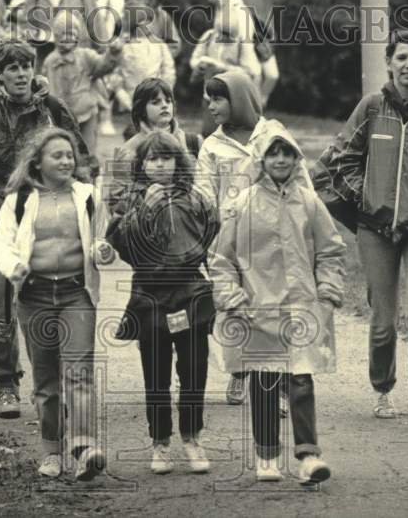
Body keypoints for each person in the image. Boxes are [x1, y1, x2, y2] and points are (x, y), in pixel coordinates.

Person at [310, 29, 408, 433]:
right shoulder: (372, 108)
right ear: (389, 63)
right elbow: (343, 157)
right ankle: (382, 388)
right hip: (375, 229)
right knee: (383, 322)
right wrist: (365, 200)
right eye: (402, 58)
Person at [0, 42, 91, 421]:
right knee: (3, 307)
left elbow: (82, 159)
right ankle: (6, 384)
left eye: (26, 66)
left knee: (51, 302)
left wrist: (79, 204)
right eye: (11, 68)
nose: (20, 74)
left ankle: (51, 388)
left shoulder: (54, 111)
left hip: (49, 222)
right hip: (1, 223)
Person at [209, 125, 344, 483]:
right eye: (273, 153)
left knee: (301, 378)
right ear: (261, 159)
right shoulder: (242, 204)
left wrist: (328, 289)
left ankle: (308, 456)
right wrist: (231, 296)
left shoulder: (310, 202)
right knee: (265, 381)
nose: (281, 159)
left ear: (296, 158)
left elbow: (330, 249)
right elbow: (222, 259)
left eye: (287, 153)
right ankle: (266, 455)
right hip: (257, 308)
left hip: (301, 306)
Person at [0, 127, 107, 482]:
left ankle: (84, 448)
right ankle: (52, 452)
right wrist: (15, 267)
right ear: (37, 162)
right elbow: (1, 244)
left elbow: (102, 237)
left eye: (70, 155)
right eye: (57, 155)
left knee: (79, 372)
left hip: (75, 294)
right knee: (46, 379)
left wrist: (103, 249)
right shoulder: (19, 200)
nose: (66, 161)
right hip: (35, 296)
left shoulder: (88, 196)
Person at [106, 130, 220, 475]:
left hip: (188, 291)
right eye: (152, 159)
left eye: (166, 158)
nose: (159, 165)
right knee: (155, 372)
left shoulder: (193, 196)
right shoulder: (131, 199)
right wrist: (144, 210)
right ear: (141, 165)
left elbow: (212, 230)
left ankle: (192, 436)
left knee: (194, 369)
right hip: (150, 295)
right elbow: (125, 247)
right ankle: (160, 442)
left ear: (178, 162)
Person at [195, 69, 312, 407]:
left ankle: (281, 384)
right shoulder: (212, 146)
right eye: (209, 99)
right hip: (232, 243)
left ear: (240, 99)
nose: (211, 106)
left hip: (276, 241)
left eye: (218, 98)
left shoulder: (273, 134)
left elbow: (301, 180)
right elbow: (204, 194)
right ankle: (241, 370)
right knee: (238, 309)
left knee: (279, 310)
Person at [42, 14, 121, 174]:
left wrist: (112, 54)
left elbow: (103, 66)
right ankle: (65, 178)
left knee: (88, 150)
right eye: (62, 33)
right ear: (56, 36)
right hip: (61, 116)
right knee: (64, 148)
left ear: (77, 36)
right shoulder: (50, 61)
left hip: (86, 113)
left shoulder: (85, 56)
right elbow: (45, 87)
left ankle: (89, 181)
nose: (67, 37)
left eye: (71, 33)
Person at [106, 77, 201, 211]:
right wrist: (144, 202)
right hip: (145, 227)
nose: (164, 105)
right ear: (141, 109)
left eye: (168, 101)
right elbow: (117, 210)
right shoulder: (128, 151)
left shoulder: (193, 142)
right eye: (156, 102)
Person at [190, 0, 261, 137]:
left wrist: (221, 65)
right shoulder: (213, 31)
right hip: (214, 90)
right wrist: (201, 65)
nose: (209, 0)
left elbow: (250, 67)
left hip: (235, 89)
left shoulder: (238, 11)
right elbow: (201, 53)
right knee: (209, 133)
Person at [114, 0, 177, 114]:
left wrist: (160, 56)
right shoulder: (128, 15)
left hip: (156, 66)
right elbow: (118, 45)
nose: (146, 0)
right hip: (132, 65)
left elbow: (175, 44)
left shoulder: (163, 17)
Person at [237, 0, 288, 104]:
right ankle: (253, 109)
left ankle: (260, 102)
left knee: (273, 75)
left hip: (266, 43)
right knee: (255, 77)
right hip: (249, 41)